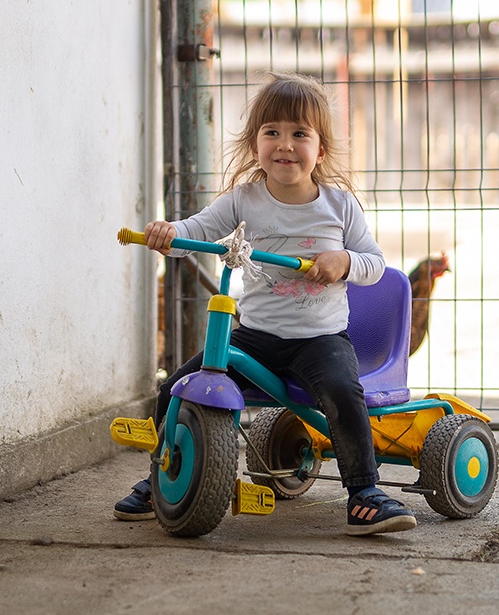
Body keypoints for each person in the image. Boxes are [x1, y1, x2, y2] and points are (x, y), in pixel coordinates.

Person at [114, 71, 416, 536]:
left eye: (300, 134)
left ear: (321, 149)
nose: (285, 144)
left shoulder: (339, 206)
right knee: (175, 386)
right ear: (256, 144)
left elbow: (375, 265)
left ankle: (364, 492)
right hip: (255, 339)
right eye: (272, 132)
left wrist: (343, 261)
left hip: (319, 340)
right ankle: (162, 474)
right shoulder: (244, 200)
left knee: (343, 392)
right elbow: (196, 231)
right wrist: (168, 234)